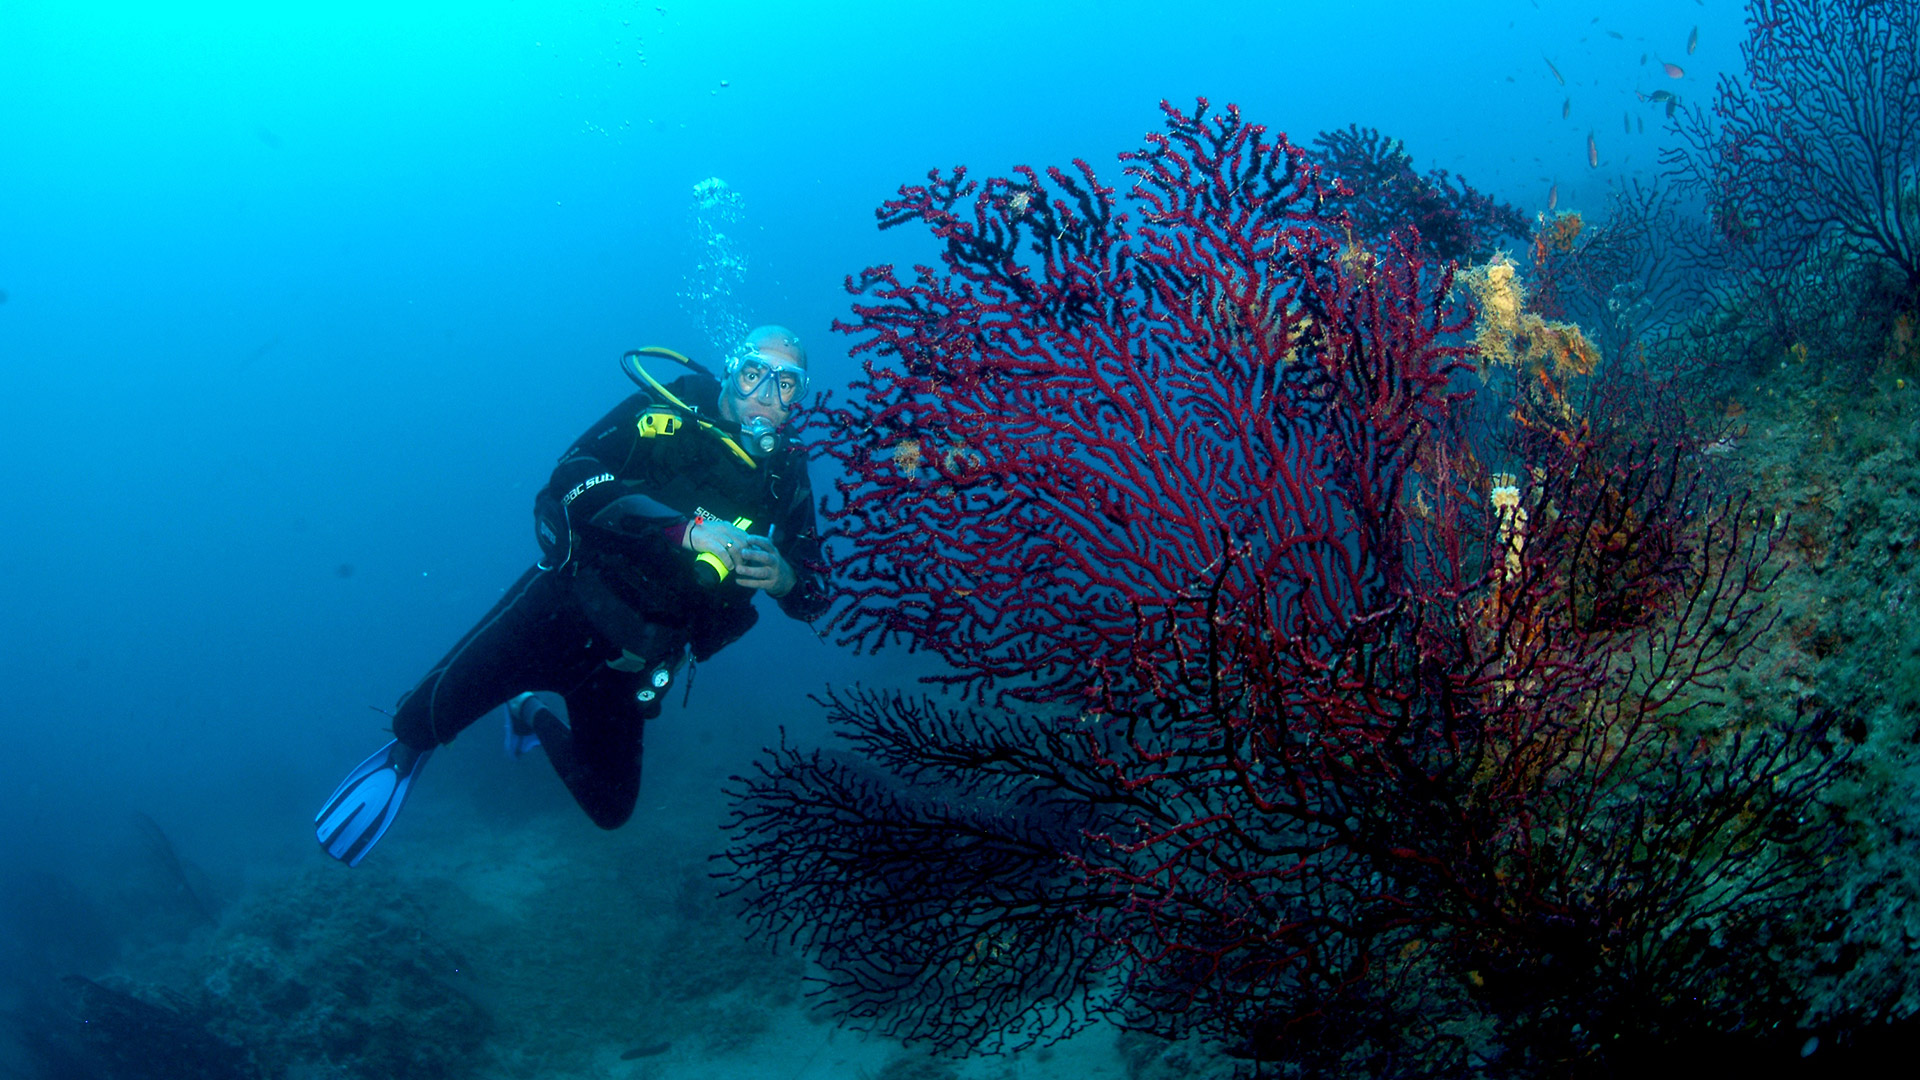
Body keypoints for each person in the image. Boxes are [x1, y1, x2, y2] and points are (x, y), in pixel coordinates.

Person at [315, 325, 829, 865]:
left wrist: (783, 577)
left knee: (610, 809)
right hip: (557, 612)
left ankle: (527, 711)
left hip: (634, 662)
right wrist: (686, 531)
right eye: (754, 375)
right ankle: (401, 759)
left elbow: (815, 598)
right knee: (418, 724)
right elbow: (572, 473)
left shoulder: (786, 477)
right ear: (731, 371)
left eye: (786, 384)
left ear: (799, 395)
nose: (766, 397)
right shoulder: (663, 414)